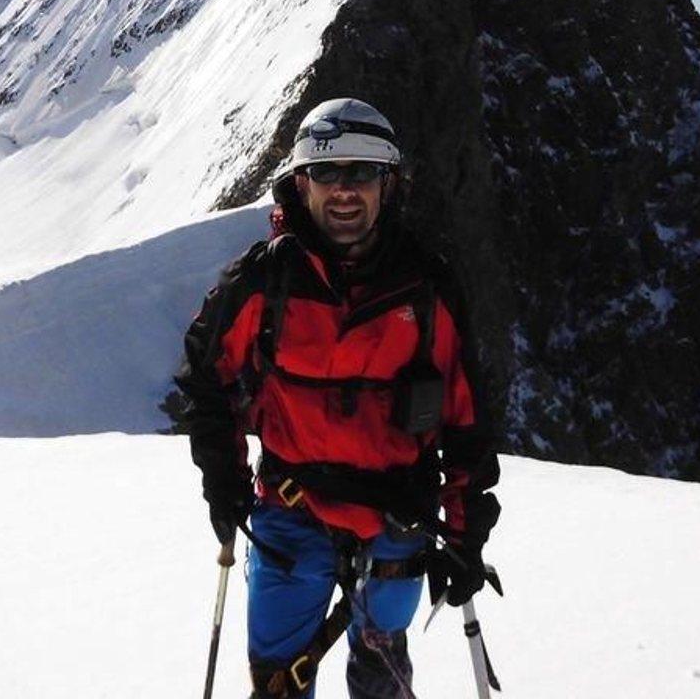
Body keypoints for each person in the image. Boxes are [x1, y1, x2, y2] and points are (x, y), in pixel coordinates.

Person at [176, 98, 501, 698]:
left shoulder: (427, 288)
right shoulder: (261, 282)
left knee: (377, 673)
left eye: (362, 172)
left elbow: (465, 417)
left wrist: (465, 529)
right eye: (327, 172)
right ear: (301, 183)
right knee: (281, 683)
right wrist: (223, 478)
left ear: (388, 183)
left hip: (395, 521)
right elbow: (205, 376)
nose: (344, 190)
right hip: (290, 515)